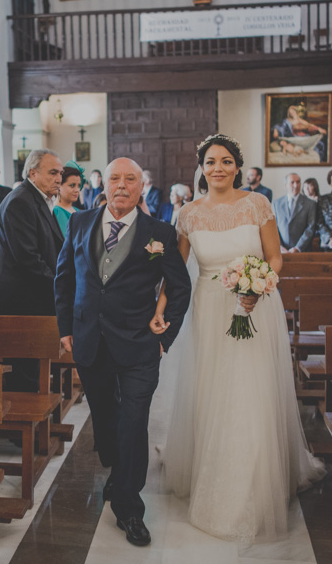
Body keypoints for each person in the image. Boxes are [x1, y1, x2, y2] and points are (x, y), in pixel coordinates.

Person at [159, 134, 324, 544]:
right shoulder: (189, 215)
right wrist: (160, 307)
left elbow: (275, 256)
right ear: (201, 167)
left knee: (249, 391)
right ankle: (212, 475)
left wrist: (260, 284)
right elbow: (177, 272)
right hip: (209, 308)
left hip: (254, 305)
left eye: (226, 161)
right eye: (211, 161)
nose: (218, 168)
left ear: (237, 166)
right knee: (214, 391)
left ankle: (253, 486)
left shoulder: (257, 204)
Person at [54, 157, 191, 547]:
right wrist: (66, 330)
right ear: (104, 184)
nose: (122, 185)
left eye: (131, 179)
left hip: (139, 345)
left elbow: (180, 288)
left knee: (133, 422)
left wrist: (165, 338)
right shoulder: (80, 223)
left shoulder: (159, 232)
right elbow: (64, 279)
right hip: (90, 342)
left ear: (141, 187)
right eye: (115, 178)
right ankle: (118, 471)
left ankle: (130, 507)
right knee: (107, 420)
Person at [0, 149, 65, 392]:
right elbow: (28, 259)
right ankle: (22, 426)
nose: (59, 179)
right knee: (23, 375)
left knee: (32, 369)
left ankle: (31, 425)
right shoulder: (20, 202)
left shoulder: (37, 199)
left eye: (60, 173)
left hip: (35, 299)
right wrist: (61, 285)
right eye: (53, 172)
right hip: (22, 303)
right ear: (33, 173)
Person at [273, 172, 317, 252]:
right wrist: (279, 246)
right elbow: (273, 227)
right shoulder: (276, 203)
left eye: (298, 182)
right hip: (281, 251)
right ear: (285, 186)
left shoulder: (310, 203)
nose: (296, 185)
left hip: (302, 251)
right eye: (292, 182)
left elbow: (310, 228)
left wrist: (298, 248)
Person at [54, 164, 82, 237]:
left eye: (78, 186)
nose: (77, 190)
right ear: (59, 186)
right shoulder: (56, 211)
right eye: (72, 185)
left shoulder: (76, 210)